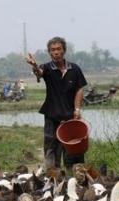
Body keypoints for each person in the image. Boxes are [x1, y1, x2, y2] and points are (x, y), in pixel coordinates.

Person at [26, 36, 87, 170]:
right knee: (51, 150)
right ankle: (53, 177)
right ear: (49, 52)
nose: (56, 52)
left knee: (73, 150)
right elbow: (39, 73)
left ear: (64, 50)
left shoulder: (74, 69)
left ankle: (74, 178)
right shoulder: (47, 68)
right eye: (53, 50)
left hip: (71, 116)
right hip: (52, 117)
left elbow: (80, 89)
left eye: (59, 49)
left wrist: (77, 109)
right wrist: (35, 66)